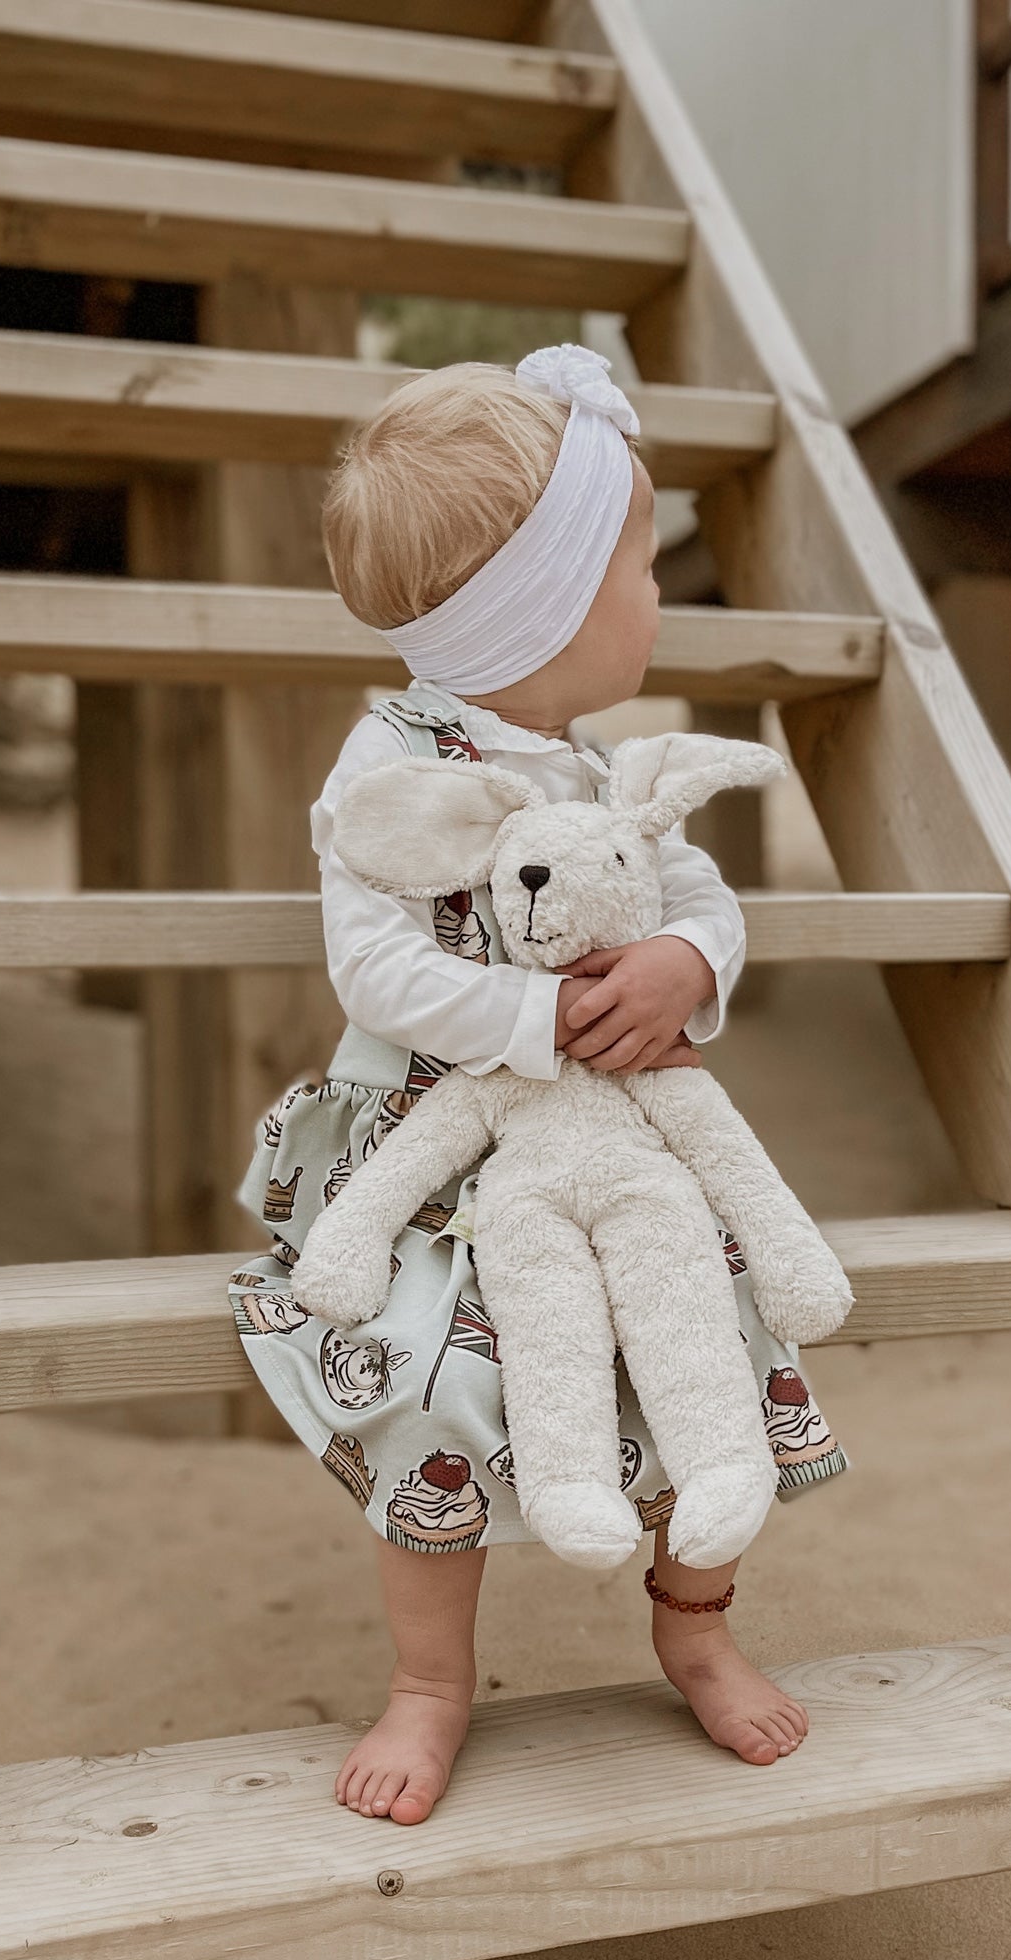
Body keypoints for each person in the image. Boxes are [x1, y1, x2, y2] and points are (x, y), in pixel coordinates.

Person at [226, 345, 847, 1826]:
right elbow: (375, 970)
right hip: (439, 1156)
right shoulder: (388, 764)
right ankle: (430, 1682)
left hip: (617, 1149)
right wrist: (535, 1016)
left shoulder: (597, 762)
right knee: (431, 1388)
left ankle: (694, 1618)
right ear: (545, 604)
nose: (653, 592)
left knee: (724, 1316)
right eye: (634, 561)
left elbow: (702, 890)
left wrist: (690, 965)